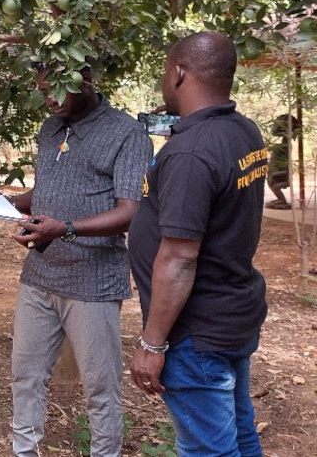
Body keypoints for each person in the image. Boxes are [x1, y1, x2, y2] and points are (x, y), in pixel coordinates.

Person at [0, 64, 153, 457]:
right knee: (25, 376)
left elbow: (131, 210)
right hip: (40, 276)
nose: (50, 99)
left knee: (100, 388)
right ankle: (24, 451)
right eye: (43, 90)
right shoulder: (50, 129)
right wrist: (5, 202)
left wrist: (64, 228)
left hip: (93, 283)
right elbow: (48, 188)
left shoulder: (126, 134)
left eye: (58, 89)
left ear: (87, 80)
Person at [128, 31, 268, 457]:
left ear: (179, 72)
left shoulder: (190, 154)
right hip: (233, 313)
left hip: (196, 333)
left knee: (209, 450)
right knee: (240, 434)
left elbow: (179, 258)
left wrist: (151, 345)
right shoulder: (242, 131)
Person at [266, 113, 299, 209]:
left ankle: (282, 201)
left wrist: (273, 175)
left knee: (274, 187)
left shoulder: (285, 147)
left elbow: (286, 168)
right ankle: (280, 200)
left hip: (283, 176)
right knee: (272, 185)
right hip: (278, 175)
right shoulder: (282, 146)